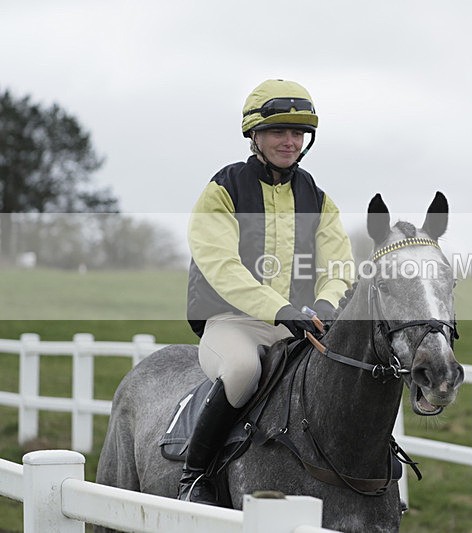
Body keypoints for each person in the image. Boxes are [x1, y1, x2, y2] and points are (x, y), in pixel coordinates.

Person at [181, 79, 354, 505]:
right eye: (279, 131)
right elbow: (222, 267)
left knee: (351, 376)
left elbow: (338, 265)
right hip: (232, 323)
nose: (290, 142)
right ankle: (195, 476)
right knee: (242, 371)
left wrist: (327, 303)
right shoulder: (223, 189)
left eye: (298, 133)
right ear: (254, 135)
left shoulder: (319, 199)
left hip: (299, 325)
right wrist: (280, 309)